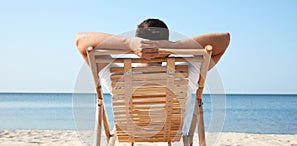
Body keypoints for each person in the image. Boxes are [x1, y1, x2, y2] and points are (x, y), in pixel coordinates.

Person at [75, 18, 230, 135]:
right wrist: (175, 47)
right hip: (171, 134)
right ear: (166, 42)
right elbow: (224, 39)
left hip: (131, 134)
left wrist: (128, 43)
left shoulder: (118, 77)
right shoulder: (186, 75)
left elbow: (81, 41)